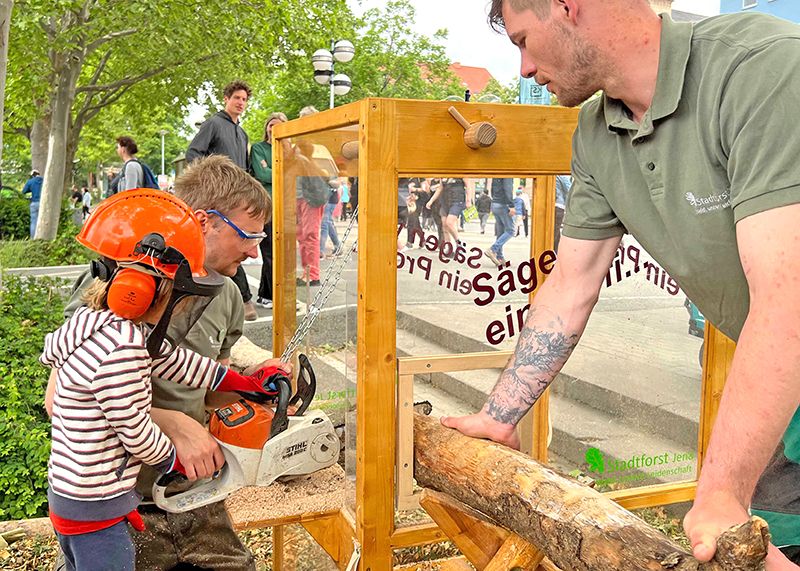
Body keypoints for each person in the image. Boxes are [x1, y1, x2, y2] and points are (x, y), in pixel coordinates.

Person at [443, 2, 800, 568]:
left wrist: (719, 490)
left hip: (786, 347)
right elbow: (572, 284)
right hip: (782, 385)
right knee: (763, 544)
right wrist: (499, 415)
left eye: (523, 41)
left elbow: (790, 305)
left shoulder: (761, 69)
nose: (523, 69)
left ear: (566, 6)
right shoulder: (596, 131)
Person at [47, 155, 275, 571]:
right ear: (205, 221)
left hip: (194, 493)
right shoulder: (121, 282)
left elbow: (194, 377)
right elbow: (60, 397)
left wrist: (253, 386)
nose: (255, 253)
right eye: (249, 235)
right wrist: (169, 423)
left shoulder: (225, 293)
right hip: (120, 497)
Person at [186, 80, 257, 321]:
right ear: (226, 98)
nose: (240, 103)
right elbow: (193, 153)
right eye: (236, 98)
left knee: (236, 246)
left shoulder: (242, 132)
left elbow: (246, 168)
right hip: (217, 198)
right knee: (227, 246)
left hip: (237, 199)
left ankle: (235, 301)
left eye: (244, 99)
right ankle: (245, 300)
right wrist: (209, 182)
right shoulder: (214, 124)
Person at [251, 111, 288, 309]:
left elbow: (294, 171)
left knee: (282, 252)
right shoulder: (259, 148)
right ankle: (271, 295)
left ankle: (266, 294)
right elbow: (263, 173)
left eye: (279, 125)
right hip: (267, 206)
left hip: (286, 205)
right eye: (271, 125)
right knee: (270, 252)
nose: (274, 129)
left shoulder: (288, 149)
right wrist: (283, 170)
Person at [484, 177, 515, 267]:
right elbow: (507, 189)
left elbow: (492, 189)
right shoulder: (508, 172)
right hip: (503, 204)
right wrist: (511, 205)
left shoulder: (497, 173)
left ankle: (500, 257)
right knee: (511, 231)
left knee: (500, 232)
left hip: (495, 204)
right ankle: (493, 250)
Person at [22, 169, 43, 238]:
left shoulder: (30, 181)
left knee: (34, 222)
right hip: (44, 204)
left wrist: (31, 189)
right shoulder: (44, 180)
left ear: (32, 175)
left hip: (34, 203)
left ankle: (33, 238)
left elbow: (24, 191)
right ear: (38, 174)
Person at [554, 174, 572, 252]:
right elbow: (569, 191)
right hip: (558, 206)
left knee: (554, 235)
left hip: (556, 206)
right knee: (554, 235)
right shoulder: (561, 174)